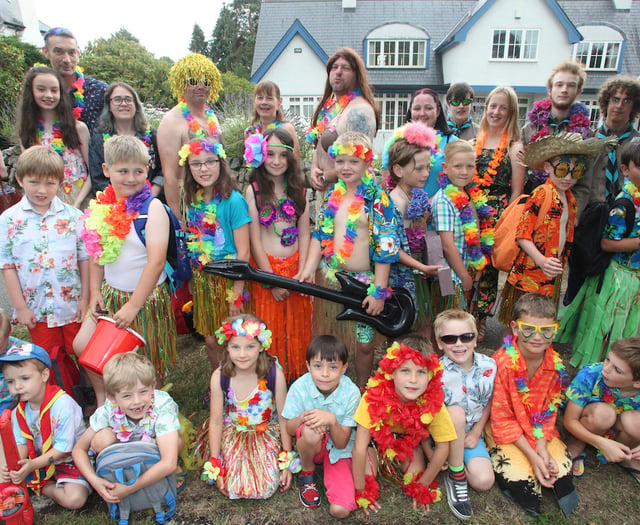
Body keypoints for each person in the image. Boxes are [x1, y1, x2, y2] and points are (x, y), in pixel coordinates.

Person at [73, 136, 177, 405]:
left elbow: (155, 263)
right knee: (82, 346)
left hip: (144, 298)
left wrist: (133, 306)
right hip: (110, 294)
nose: (131, 178)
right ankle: (105, 400)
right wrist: (95, 290)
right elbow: (98, 253)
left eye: (138, 171)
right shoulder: (101, 208)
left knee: (145, 362)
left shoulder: (152, 209)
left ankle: (153, 409)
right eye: (123, 171)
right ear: (107, 170)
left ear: (147, 171)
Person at [298, 132, 401, 388]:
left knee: (364, 345)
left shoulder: (378, 200)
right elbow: (319, 236)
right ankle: (335, 388)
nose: (345, 167)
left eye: (353, 161)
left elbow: (386, 249)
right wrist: (309, 270)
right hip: (332, 280)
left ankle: (363, 389)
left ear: (368, 163)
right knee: (333, 338)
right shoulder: (333, 197)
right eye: (340, 161)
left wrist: (379, 291)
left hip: (364, 283)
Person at [498, 132, 609, 324]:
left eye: (576, 172)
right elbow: (522, 235)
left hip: (551, 273)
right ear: (548, 167)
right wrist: (541, 260)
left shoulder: (571, 200)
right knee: (518, 319)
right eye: (563, 170)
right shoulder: (541, 193)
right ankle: (510, 352)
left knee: (541, 319)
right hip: (529, 272)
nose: (568, 177)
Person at [488, 293, 578, 518]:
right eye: (528, 329)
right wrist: (534, 457)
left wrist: (541, 447)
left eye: (547, 330)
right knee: (521, 478)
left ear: (555, 329)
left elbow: (550, 410)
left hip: (539, 429)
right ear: (515, 328)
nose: (538, 338)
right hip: (507, 431)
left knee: (560, 468)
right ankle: (524, 483)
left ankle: (549, 471)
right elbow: (501, 418)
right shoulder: (502, 363)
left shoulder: (554, 364)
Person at [351, 335, 455, 515]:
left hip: (408, 443)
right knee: (367, 476)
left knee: (415, 478)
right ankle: (378, 466)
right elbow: (359, 448)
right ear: (392, 372)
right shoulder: (373, 396)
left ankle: (410, 465)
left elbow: (443, 448)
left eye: (421, 372)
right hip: (374, 443)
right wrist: (361, 489)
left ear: (431, 375)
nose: (413, 379)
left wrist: (423, 486)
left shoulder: (433, 402)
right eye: (405, 371)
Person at [558, 138, 640, 367]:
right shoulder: (624, 205)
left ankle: (622, 368)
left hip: (636, 278)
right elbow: (607, 243)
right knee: (605, 326)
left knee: (628, 326)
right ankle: (596, 367)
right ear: (625, 169)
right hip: (619, 279)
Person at [0, 146, 88, 357]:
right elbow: (8, 266)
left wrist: (85, 298)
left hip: (72, 305)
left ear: (59, 182)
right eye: (34, 182)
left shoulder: (74, 217)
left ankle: (85, 389)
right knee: (51, 358)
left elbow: (84, 259)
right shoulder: (8, 220)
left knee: (82, 353)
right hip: (37, 309)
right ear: (20, 180)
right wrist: (20, 307)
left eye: (50, 183)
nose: (42, 190)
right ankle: (59, 389)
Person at [565, 76, 640, 304]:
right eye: (615, 99)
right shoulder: (586, 139)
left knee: (609, 279)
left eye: (626, 101)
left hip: (625, 216)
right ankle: (570, 328)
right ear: (605, 102)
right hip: (589, 216)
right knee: (579, 273)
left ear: (634, 107)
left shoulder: (637, 144)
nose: (619, 105)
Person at [244, 128, 311, 380]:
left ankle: (294, 375)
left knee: (296, 328)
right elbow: (255, 240)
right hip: (267, 270)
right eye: (270, 154)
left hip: (295, 270)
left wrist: (303, 274)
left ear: (291, 158)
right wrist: (271, 280)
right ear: (260, 155)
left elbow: (304, 233)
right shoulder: (254, 191)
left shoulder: (299, 190)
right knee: (268, 327)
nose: (276, 161)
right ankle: (267, 378)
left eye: (283, 155)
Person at [72, 352, 183, 504]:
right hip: (125, 448)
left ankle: (160, 470)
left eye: (143, 392)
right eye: (127, 396)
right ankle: (123, 469)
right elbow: (79, 450)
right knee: (100, 440)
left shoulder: (162, 405)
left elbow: (168, 462)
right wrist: (95, 482)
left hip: (157, 446)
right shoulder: (108, 410)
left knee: (175, 442)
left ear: (153, 387)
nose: (137, 401)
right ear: (112, 398)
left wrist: (130, 489)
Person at [181, 139, 251, 371]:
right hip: (204, 280)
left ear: (220, 163)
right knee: (210, 338)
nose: (204, 169)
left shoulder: (234, 201)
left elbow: (244, 251)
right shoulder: (194, 202)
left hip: (229, 280)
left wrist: (237, 294)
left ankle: (239, 382)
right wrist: (193, 278)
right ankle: (219, 381)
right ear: (189, 168)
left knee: (233, 337)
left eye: (210, 162)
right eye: (196, 164)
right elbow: (194, 242)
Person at [204, 314, 292, 499]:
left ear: (261, 346)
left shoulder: (273, 373)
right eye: (235, 347)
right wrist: (216, 463)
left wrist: (287, 460)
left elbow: (284, 418)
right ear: (227, 347)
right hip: (234, 430)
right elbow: (216, 421)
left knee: (266, 488)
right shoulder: (220, 376)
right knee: (233, 487)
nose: (242, 354)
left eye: (250, 346)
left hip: (265, 431)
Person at [0, 342, 89, 509]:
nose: (17, 386)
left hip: (70, 459)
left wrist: (31, 466)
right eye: (10, 381)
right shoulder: (18, 411)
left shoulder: (63, 405)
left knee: (75, 499)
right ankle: (18, 484)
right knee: (3, 464)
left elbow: (62, 449)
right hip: (38, 458)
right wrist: (13, 466)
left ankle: (42, 487)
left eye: (25, 378)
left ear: (44, 374)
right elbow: (21, 444)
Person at [281, 335, 360, 517]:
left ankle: (334, 478)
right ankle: (307, 472)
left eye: (333, 367)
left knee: (341, 510)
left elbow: (341, 443)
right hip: (311, 446)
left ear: (344, 368)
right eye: (318, 366)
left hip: (339, 450)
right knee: (311, 430)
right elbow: (290, 430)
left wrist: (331, 420)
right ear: (308, 366)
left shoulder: (352, 393)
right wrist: (302, 417)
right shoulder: (300, 387)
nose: (325, 374)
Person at [472, 86, 525, 340]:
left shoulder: (515, 148)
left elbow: (517, 192)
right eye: (493, 105)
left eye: (503, 107)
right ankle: (463, 314)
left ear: (511, 112)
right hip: (470, 213)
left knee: (489, 271)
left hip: (497, 218)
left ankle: (481, 317)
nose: (496, 111)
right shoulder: (473, 143)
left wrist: (506, 224)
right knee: (469, 266)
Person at [435, 309, 495, 521]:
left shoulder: (490, 366)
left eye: (466, 337)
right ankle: (456, 475)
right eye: (450, 339)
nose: (459, 344)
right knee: (456, 413)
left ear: (475, 339)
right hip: (443, 434)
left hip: (471, 434)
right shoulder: (435, 371)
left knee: (484, 481)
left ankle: (454, 465)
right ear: (440, 343)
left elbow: (489, 401)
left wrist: (477, 431)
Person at [383, 122, 443, 332]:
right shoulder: (394, 202)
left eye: (428, 167)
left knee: (428, 322)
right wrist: (423, 268)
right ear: (398, 170)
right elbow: (392, 249)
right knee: (410, 325)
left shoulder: (416, 194)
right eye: (419, 168)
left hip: (421, 268)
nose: (426, 174)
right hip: (404, 276)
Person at [564, 336, 640, 483]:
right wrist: (600, 442)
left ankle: (625, 454)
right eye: (608, 359)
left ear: (637, 383)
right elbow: (569, 420)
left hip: (620, 427)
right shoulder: (591, 374)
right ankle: (578, 442)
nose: (606, 368)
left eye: (617, 370)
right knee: (603, 414)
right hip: (591, 420)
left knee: (635, 422)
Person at [157, 53, 222, 217]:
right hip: (187, 198)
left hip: (214, 196)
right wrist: (178, 218)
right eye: (193, 81)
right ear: (181, 83)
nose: (200, 86)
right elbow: (169, 174)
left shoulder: (211, 117)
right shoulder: (171, 120)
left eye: (206, 82)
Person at [431, 140, 492, 312]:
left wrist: (477, 265)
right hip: (449, 276)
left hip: (465, 268)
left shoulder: (467, 194)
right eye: (458, 166)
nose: (464, 172)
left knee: (462, 315)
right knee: (448, 318)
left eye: (469, 166)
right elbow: (447, 245)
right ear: (445, 167)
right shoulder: (444, 200)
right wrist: (465, 276)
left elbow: (474, 235)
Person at [17, 66, 91, 208]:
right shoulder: (27, 132)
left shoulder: (77, 128)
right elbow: (29, 173)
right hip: (42, 202)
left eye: (54, 90)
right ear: (31, 92)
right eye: (41, 89)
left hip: (76, 200)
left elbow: (92, 173)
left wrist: (77, 204)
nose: (49, 95)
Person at [307, 48, 379, 193]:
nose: (338, 72)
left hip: (351, 197)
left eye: (345, 68)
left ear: (357, 75)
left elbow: (358, 162)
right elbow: (320, 145)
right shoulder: (333, 109)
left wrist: (325, 177)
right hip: (328, 194)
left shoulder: (360, 112)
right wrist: (315, 167)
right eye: (334, 67)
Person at [521, 60, 591, 192]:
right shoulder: (529, 130)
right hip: (533, 200)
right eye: (559, 85)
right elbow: (520, 173)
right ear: (550, 89)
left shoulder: (586, 134)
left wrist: (571, 210)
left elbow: (585, 184)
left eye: (571, 85)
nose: (564, 90)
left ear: (578, 91)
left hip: (568, 202)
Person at [89, 82, 163, 197]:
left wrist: (150, 196)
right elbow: (98, 179)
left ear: (136, 105)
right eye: (118, 100)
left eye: (128, 99)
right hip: (114, 205)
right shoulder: (98, 140)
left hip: (150, 199)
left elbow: (163, 170)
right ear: (109, 105)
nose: (123, 104)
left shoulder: (153, 135)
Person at [42, 27, 107, 135]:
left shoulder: (99, 90)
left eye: (71, 53)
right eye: (59, 52)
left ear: (77, 53)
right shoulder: (40, 92)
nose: (67, 60)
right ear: (46, 52)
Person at [403, 87, 457, 197]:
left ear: (437, 112)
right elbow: (388, 182)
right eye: (417, 108)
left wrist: (428, 205)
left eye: (428, 108)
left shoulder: (451, 143)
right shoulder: (398, 141)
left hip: (439, 208)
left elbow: (459, 182)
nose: (422, 113)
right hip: (403, 209)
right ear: (410, 111)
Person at [245, 80, 300, 159]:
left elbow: (295, 163)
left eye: (269, 98)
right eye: (260, 98)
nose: (264, 102)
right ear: (254, 102)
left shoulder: (286, 128)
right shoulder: (250, 132)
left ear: (279, 103)